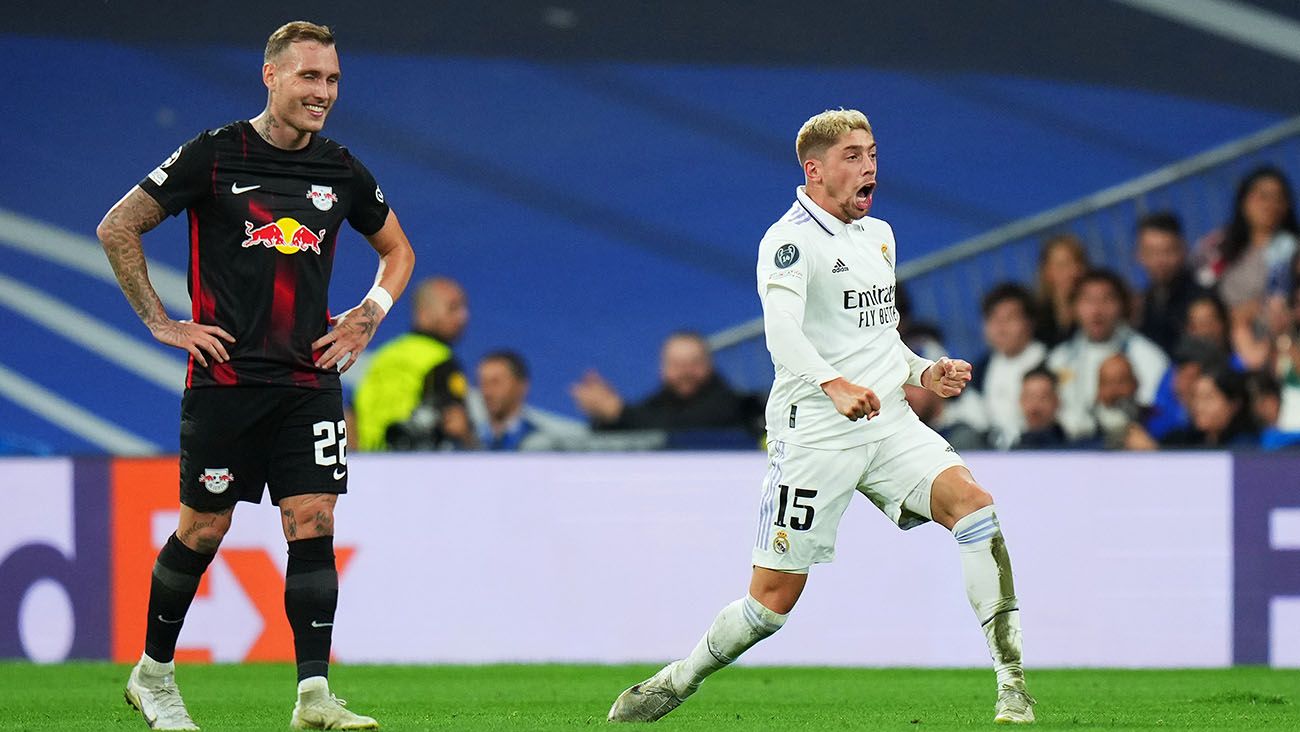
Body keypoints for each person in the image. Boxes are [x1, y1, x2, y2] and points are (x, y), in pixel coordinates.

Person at [607, 109, 1034, 724]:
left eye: (874, 154)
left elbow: (879, 337)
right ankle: (679, 679)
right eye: (854, 157)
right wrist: (832, 385)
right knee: (770, 607)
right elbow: (781, 334)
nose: (871, 168)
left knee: (975, 505)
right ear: (816, 170)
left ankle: (1011, 683)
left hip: (885, 422)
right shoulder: (787, 242)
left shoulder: (878, 236)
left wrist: (922, 372)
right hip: (816, 434)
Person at [96, 22, 413, 730]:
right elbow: (118, 226)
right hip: (227, 382)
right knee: (204, 528)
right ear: (270, 76)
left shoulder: (340, 168)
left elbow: (398, 252)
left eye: (331, 80)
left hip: (308, 380)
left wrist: (369, 312)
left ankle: (313, 699)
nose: (322, 93)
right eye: (309, 77)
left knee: (314, 519)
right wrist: (161, 321)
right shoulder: (214, 154)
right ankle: (153, 674)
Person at [353, 276, 475, 451]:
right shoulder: (442, 361)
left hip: (368, 466)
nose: (463, 317)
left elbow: (350, 416)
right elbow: (455, 423)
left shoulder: (383, 356)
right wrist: (470, 441)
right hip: (416, 467)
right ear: (424, 312)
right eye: (453, 308)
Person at [1045, 269, 1169, 439]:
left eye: (1106, 300)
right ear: (1074, 308)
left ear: (1122, 306)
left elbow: (1158, 412)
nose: (1096, 311)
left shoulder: (1148, 356)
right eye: (1088, 301)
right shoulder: (1059, 358)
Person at [571, 331, 763, 437]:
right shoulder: (653, 407)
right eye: (677, 364)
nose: (685, 372)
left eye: (693, 363)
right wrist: (605, 418)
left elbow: (686, 430)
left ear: (709, 365)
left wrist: (619, 411)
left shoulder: (736, 406)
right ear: (663, 368)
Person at [964, 283, 1047, 449]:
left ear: (1030, 323)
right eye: (994, 319)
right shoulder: (980, 369)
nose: (1001, 328)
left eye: (1010, 318)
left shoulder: (1051, 362)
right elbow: (972, 417)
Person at [1134, 212, 1207, 354]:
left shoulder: (1203, 299)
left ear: (1183, 250)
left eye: (1168, 251)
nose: (1160, 261)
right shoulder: (1139, 309)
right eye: (1152, 252)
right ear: (1139, 255)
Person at [1033, 233, 1089, 347]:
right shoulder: (1037, 323)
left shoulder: (1098, 313)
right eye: (1064, 265)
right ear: (1047, 272)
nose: (1074, 271)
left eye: (1078, 262)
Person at [1012, 366, 1070, 449]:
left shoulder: (1074, 452)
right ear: (1020, 401)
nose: (1035, 406)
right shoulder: (1010, 453)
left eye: (1043, 398)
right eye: (1029, 397)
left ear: (1057, 402)